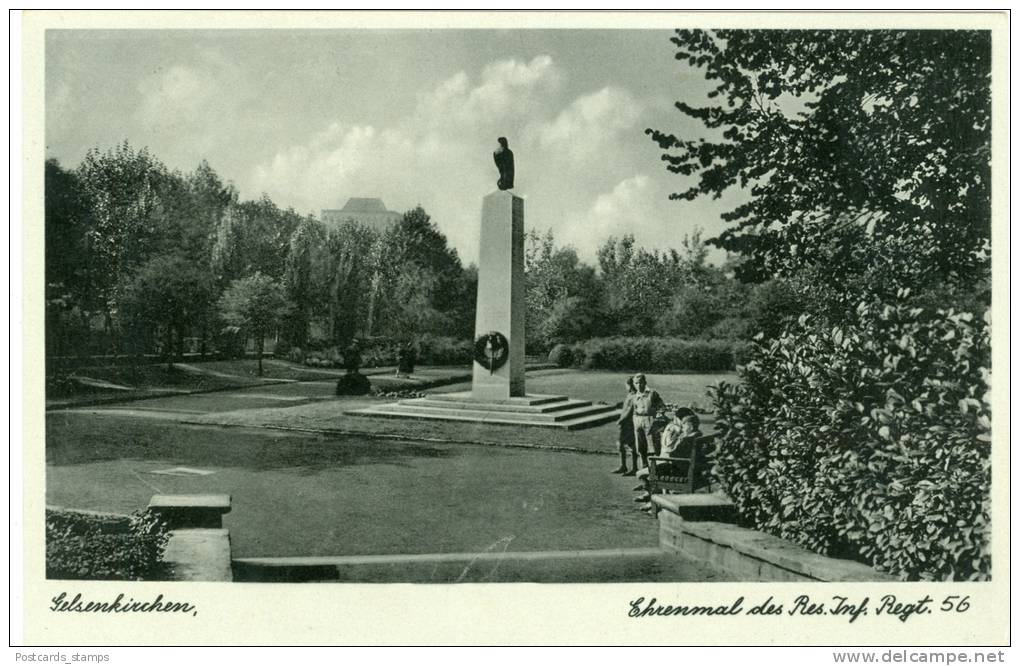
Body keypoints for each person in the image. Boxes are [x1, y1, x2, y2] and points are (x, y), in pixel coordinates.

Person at [631, 373, 665, 470]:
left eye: (641, 382)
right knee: (640, 446)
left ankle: (656, 468)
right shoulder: (634, 395)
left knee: (653, 445)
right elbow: (634, 408)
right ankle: (644, 467)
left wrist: (659, 415)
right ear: (634, 384)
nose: (639, 385)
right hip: (638, 420)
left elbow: (661, 406)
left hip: (650, 419)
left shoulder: (652, 393)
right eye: (636, 383)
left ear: (645, 382)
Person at [611, 377, 639, 475]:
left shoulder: (633, 396)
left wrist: (620, 421)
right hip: (629, 423)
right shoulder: (631, 395)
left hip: (627, 424)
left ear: (629, 385)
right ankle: (630, 467)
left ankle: (626, 466)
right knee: (630, 445)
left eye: (626, 385)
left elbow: (629, 411)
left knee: (622, 444)